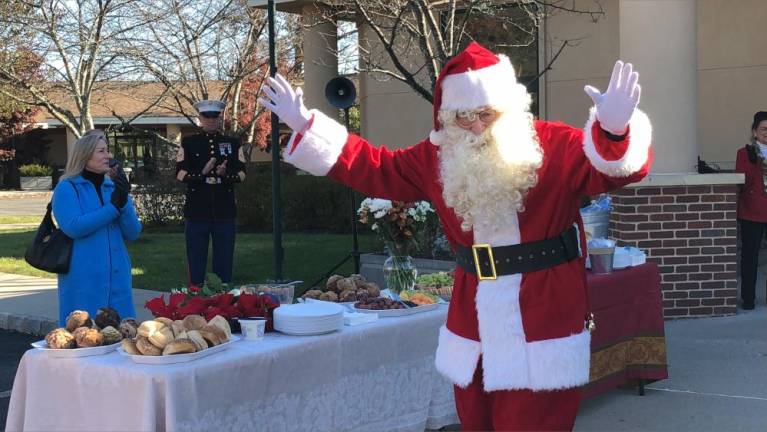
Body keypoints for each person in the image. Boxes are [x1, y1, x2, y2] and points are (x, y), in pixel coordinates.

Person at [260, 42, 653, 430]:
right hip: (473, 314)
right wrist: (307, 125)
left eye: (487, 113)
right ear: (446, 117)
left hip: (543, 312)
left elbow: (609, 172)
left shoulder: (552, 143)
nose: (477, 126)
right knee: (475, 421)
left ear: (510, 107)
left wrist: (614, 131)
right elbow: (375, 167)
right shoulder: (438, 155)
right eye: (463, 117)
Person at [52, 130, 141, 326]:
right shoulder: (67, 188)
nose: (107, 156)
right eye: (101, 151)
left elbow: (133, 232)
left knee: (122, 338)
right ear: (85, 155)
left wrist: (123, 200)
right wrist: (112, 208)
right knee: (85, 337)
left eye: (107, 150)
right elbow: (73, 226)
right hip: (84, 279)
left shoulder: (111, 188)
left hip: (118, 277)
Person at [176, 100, 247, 288]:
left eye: (214, 117)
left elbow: (242, 173)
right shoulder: (189, 143)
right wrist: (202, 173)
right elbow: (180, 173)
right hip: (197, 209)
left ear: (219, 119)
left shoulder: (232, 143)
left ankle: (222, 294)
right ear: (200, 118)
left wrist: (227, 175)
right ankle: (195, 293)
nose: (210, 121)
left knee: (224, 258)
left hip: (224, 210)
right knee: (196, 257)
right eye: (206, 117)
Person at [735, 111, 767, 310]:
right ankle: (748, 298)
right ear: (755, 132)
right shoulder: (745, 152)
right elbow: (742, 181)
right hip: (752, 209)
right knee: (750, 256)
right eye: (764, 129)